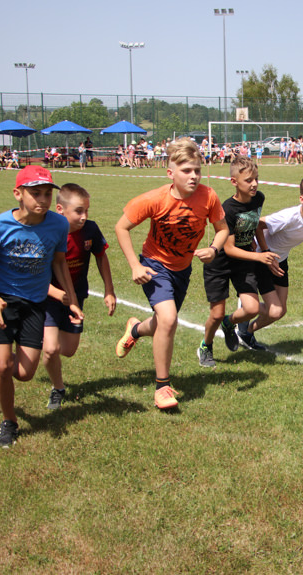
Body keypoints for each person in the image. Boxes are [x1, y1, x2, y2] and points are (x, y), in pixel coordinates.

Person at [0, 165, 83, 447]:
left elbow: (59, 262)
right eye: (35, 193)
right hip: (1, 301)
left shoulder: (58, 224)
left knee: (25, 374)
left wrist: (72, 301)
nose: (42, 200)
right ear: (18, 193)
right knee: (3, 367)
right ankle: (9, 422)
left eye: (47, 194)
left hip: (35, 303)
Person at [114, 138, 228, 409]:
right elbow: (121, 227)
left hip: (182, 269)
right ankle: (162, 387)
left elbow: (222, 229)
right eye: (187, 171)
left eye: (197, 170)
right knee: (168, 318)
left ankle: (135, 329)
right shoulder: (155, 199)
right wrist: (135, 266)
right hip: (154, 265)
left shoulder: (209, 196)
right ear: (170, 174)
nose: (194, 176)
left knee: (165, 322)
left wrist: (214, 249)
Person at [198, 156, 280, 368]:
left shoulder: (258, 198)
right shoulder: (228, 209)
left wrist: (265, 249)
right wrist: (259, 256)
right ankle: (205, 346)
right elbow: (229, 248)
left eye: (256, 179)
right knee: (215, 313)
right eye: (248, 180)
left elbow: (255, 226)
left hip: (244, 260)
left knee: (251, 308)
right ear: (234, 182)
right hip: (221, 263)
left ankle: (229, 322)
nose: (254, 184)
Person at [41, 184, 116, 410]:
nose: (84, 217)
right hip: (48, 298)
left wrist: (109, 290)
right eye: (79, 211)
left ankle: (36, 341)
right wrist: (54, 292)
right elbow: (33, 271)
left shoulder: (90, 230)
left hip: (77, 296)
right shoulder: (47, 231)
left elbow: (101, 257)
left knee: (68, 350)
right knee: (51, 349)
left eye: (87, 211)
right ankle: (58, 388)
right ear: (60, 209)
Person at [236, 175, 303, 350]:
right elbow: (256, 223)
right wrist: (265, 252)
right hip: (261, 258)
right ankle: (247, 307)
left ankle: (245, 332)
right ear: (302, 199)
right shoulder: (288, 217)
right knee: (275, 310)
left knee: (280, 312)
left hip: (281, 260)